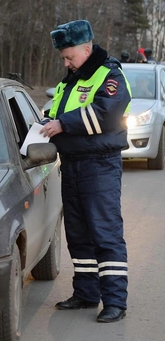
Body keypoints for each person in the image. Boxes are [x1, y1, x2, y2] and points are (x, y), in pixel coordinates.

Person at [40, 20, 131, 323]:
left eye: (70, 57)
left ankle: (115, 301)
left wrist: (63, 125)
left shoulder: (110, 75)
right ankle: (86, 293)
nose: (66, 63)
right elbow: (51, 113)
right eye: (64, 58)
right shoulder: (71, 81)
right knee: (78, 235)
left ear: (87, 48)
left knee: (105, 234)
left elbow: (106, 113)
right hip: (73, 166)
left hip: (100, 166)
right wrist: (42, 125)